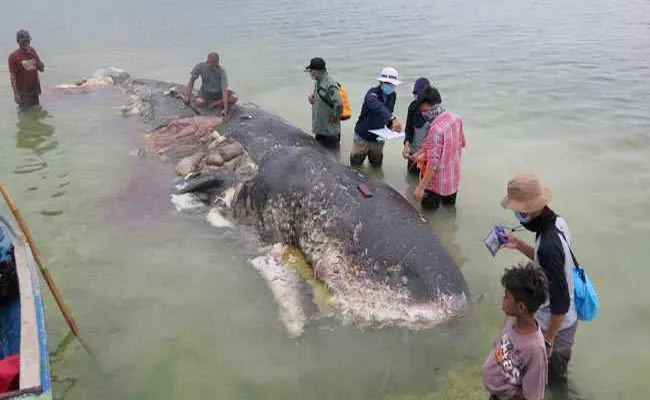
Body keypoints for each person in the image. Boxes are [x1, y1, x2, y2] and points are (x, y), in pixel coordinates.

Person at [500, 174, 578, 384]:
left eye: (517, 211)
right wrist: (519, 245)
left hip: (556, 326)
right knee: (548, 380)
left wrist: (548, 340)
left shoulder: (548, 246)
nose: (516, 214)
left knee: (553, 383)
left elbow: (560, 302)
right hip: (562, 321)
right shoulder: (557, 223)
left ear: (527, 210)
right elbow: (548, 263)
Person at [483, 262, 549, 400]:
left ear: (521, 307)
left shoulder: (535, 350)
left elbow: (534, 395)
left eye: (507, 297)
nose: (502, 300)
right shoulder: (512, 320)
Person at [411, 88, 465, 211]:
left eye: (425, 110)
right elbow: (459, 144)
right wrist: (421, 153)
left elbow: (432, 165)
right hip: (452, 179)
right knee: (449, 212)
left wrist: (420, 187)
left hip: (436, 184)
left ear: (434, 106)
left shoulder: (435, 130)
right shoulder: (455, 118)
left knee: (427, 215)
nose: (424, 114)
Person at [350, 66, 403, 167]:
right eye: (388, 83)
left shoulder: (393, 95)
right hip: (363, 136)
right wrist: (393, 118)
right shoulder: (372, 94)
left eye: (392, 84)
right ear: (381, 83)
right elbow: (378, 106)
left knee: (376, 166)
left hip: (379, 137)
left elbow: (387, 112)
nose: (391, 86)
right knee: (355, 166)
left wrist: (392, 125)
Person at [305, 57, 343, 148]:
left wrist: (335, 117)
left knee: (331, 158)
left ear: (318, 71)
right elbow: (320, 97)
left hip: (329, 132)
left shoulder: (330, 84)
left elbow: (339, 104)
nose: (310, 73)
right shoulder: (318, 82)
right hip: (321, 129)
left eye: (311, 71)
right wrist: (312, 98)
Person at [8, 30, 45, 110]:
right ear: (18, 41)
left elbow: (42, 69)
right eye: (24, 41)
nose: (26, 43)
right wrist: (16, 94)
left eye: (28, 40)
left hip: (35, 89)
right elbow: (12, 77)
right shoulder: (13, 56)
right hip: (23, 92)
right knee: (25, 115)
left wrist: (34, 56)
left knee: (36, 113)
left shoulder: (32, 51)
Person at [403, 77, 430, 175]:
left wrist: (422, 153)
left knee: (424, 182)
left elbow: (434, 140)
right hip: (413, 154)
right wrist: (406, 145)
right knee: (411, 180)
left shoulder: (434, 112)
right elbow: (409, 128)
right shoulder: (412, 107)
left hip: (427, 156)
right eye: (416, 95)